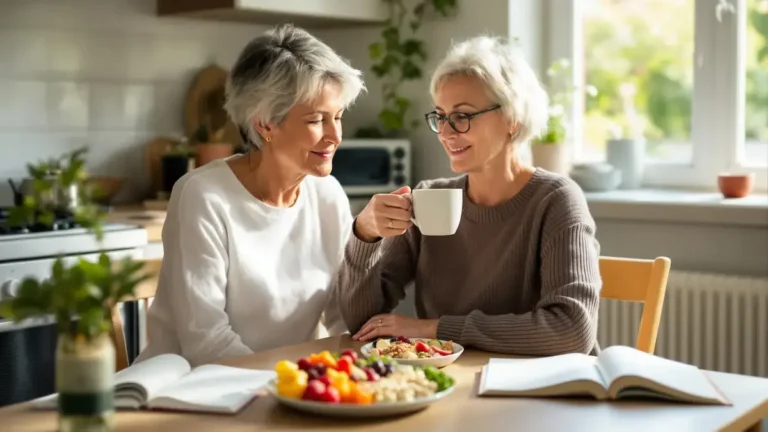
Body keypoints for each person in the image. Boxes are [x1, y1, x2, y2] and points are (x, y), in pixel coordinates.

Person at [336, 35, 602, 356]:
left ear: (512, 120)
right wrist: (364, 234)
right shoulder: (429, 199)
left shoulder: (556, 200)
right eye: (441, 116)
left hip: (546, 392)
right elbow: (363, 324)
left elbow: (571, 330)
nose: (447, 132)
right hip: (458, 386)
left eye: (462, 116)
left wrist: (434, 328)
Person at [135, 24, 365, 367]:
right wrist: (292, 382)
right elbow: (206, 341)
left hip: (282, 388)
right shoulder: (203, 195)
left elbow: (340, 318)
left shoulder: (328, 195)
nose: (335, 136)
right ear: (265, 124)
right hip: (190, 391)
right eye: (317, 120)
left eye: (338, 117)